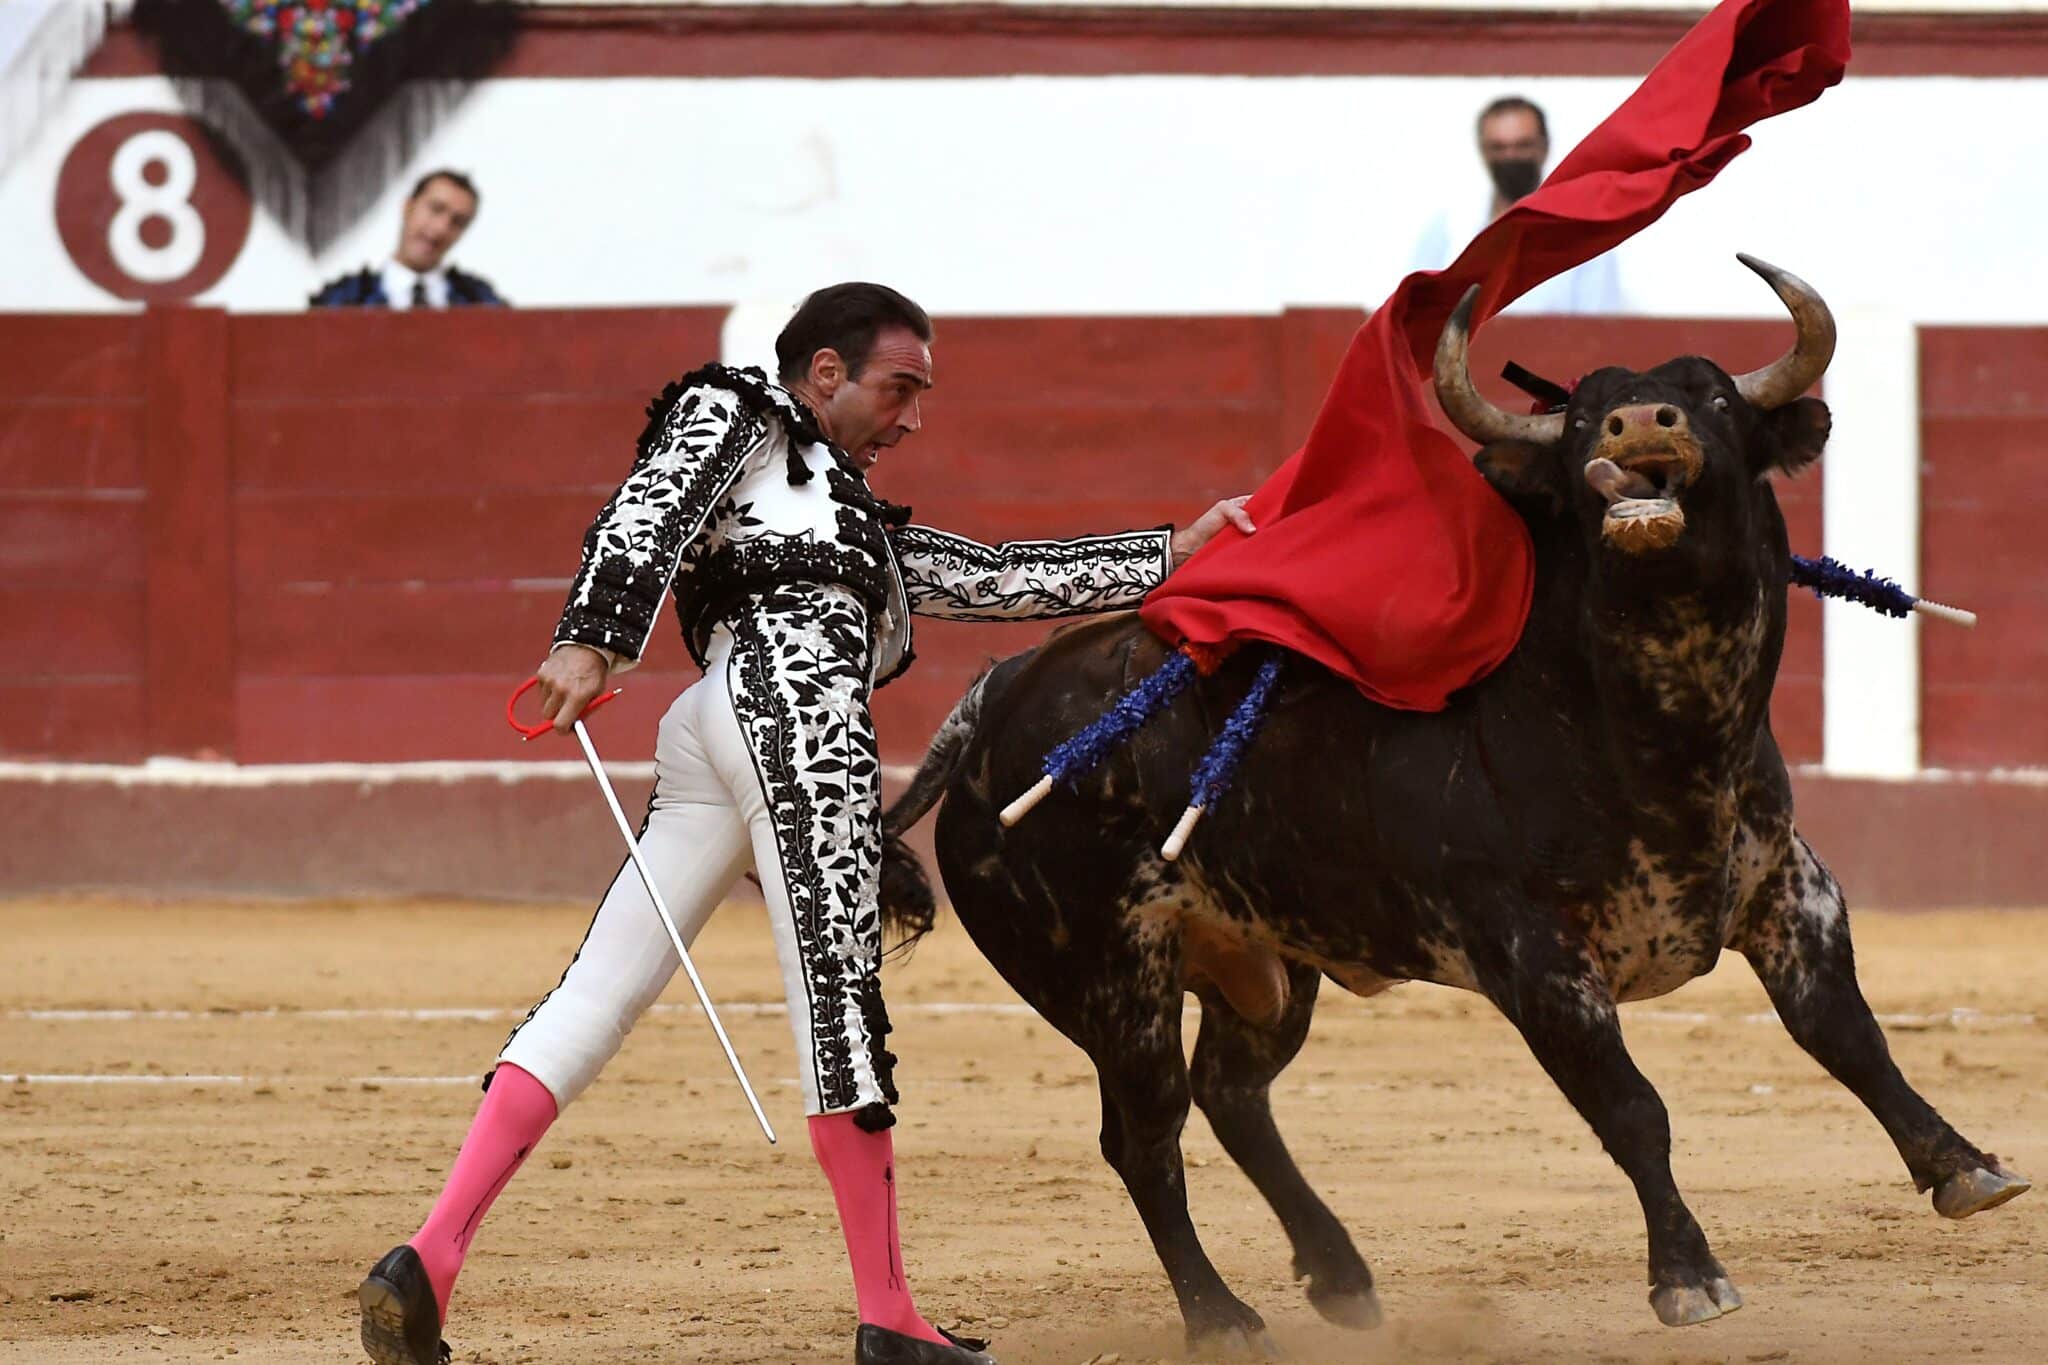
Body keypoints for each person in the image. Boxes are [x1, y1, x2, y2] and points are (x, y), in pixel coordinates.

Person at [354, 282, 1254, 1365]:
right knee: (837, 1008)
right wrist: (590, 638)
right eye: (899, 388)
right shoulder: (737, 411)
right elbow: (651, 504)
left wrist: (1168, 555)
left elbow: (995, 576)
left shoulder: (850, 517)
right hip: (797, 714)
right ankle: (887, 1316)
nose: (912, 417)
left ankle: (430, 1257)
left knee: (597, 994)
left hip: (719, 723)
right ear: (824, 373)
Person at [1407, 96, 1624, 315]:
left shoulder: (1581, 233)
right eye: (1498, 148)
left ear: (1543, 147)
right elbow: (1417, 311)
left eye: (1522, 146)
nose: (1510, 157)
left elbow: (1600, 325)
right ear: (1484, 151)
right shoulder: (1450, 228)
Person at [310, 169, 505, 308]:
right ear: (408, 207)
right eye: (436, 209)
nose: (441, 228)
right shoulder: (344, 301)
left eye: (458, 222)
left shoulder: (481, 303)